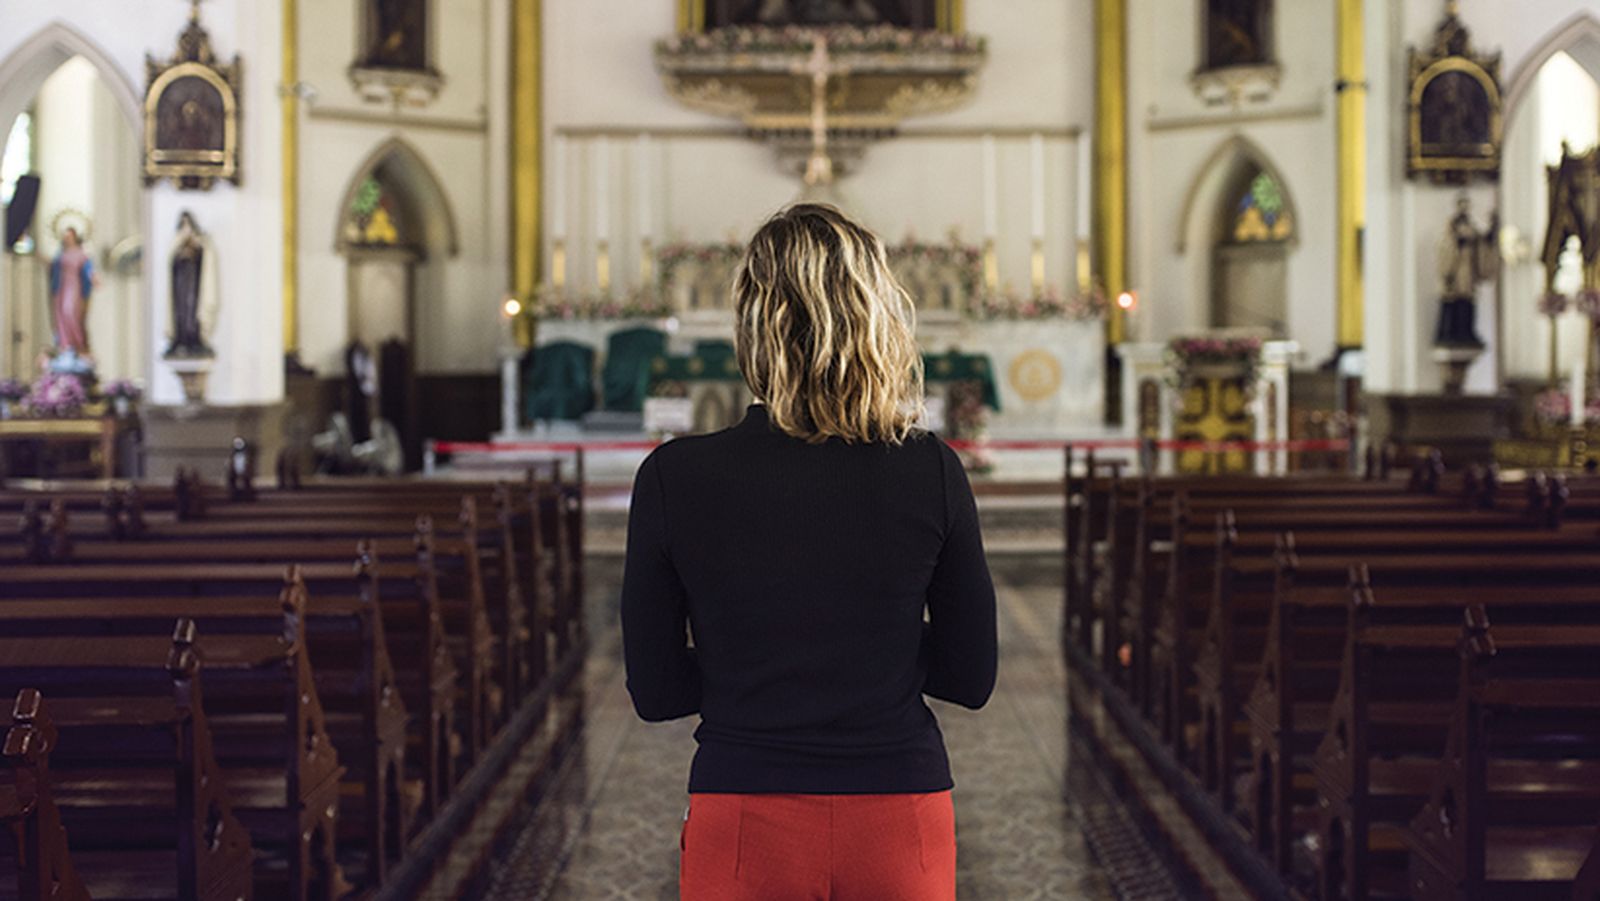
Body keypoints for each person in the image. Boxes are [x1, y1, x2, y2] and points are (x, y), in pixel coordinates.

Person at [621, 203, 997, 900]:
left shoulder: (675, 477)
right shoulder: (931, 469)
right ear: (875, 318)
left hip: (743, 811)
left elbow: (656, 691)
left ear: (751, 326)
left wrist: (752, 662)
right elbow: (971, 677)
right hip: (898, 815)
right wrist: (872, 653)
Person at [48, 227, 96, 356]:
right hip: (61, 286)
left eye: (69, 236)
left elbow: (88, 270)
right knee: (61, 313)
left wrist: (93, 278)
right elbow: (54, 268)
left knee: (69, 311)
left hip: (74, 286)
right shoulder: (61, 254)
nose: (67, 239)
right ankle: (64, 342)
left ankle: (77, 341)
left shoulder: (81, 254)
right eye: (66, 236)